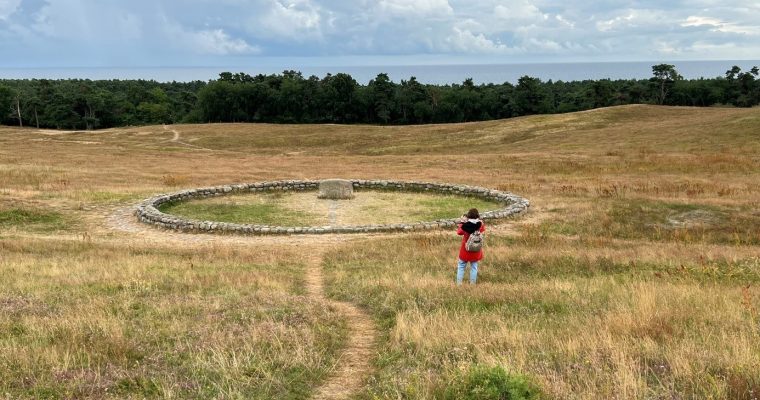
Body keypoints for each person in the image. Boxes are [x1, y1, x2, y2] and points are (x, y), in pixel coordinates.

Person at [456, 208, 485, 285]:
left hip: (465, 249)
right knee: (474, 267)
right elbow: (482, 229)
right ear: (477, 216)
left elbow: (459, 232)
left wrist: (462, 222)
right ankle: (472, 284)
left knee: (461, 266)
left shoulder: (465, 225)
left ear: (468, 216)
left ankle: (459, 284)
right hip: (475, 249)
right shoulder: (480, 224)